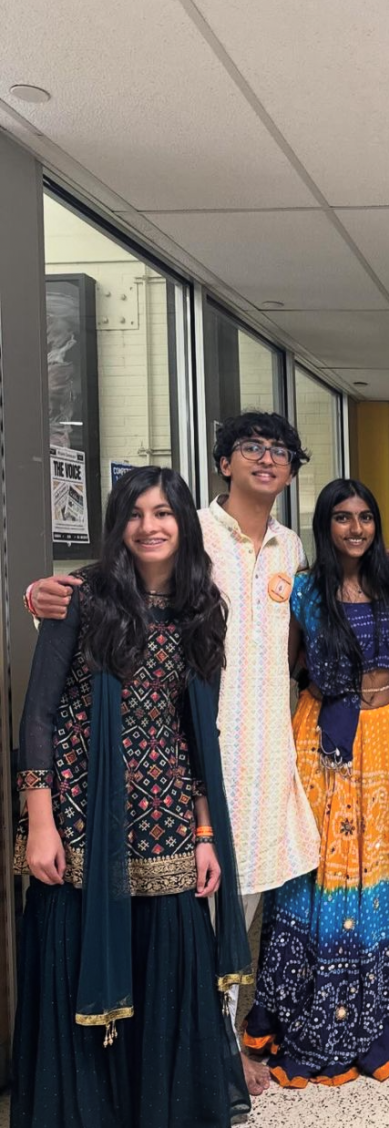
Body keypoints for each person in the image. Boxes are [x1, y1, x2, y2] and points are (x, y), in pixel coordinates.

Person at [26, 411, 321, 1096]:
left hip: (234, 757)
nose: (266, 459)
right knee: (144, 928)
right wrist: (33, 595)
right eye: (251, 447)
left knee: (219, 917)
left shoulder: (286, 549)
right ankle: (186, 1067)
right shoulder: (164, 557)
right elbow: (45, 698)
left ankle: (212, 1056)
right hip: (112, 788)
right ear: (223, 463)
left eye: (279, 450)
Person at [13, 467, 250, 1128]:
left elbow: (198, 731)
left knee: (168, 975)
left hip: (170, 820)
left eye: (164, 513)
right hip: (83, 822)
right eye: (136, 513)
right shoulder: (80, 598)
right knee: (81, 969)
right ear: (119, 525)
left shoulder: (201, 608)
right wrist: (39, 823)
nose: (150, 526)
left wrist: (206, 833)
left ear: (183, 524)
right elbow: (38, 717)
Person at [244, 479, 389, 1084]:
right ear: (325, 526)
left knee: (383, 864)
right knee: (323, 868)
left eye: (365, 518)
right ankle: (314, 1012)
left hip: (387, 733)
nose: (355, 528)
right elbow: (276, 661)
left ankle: (384, 1006)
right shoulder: (306, 588)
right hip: (326, 739)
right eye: (342, 518)